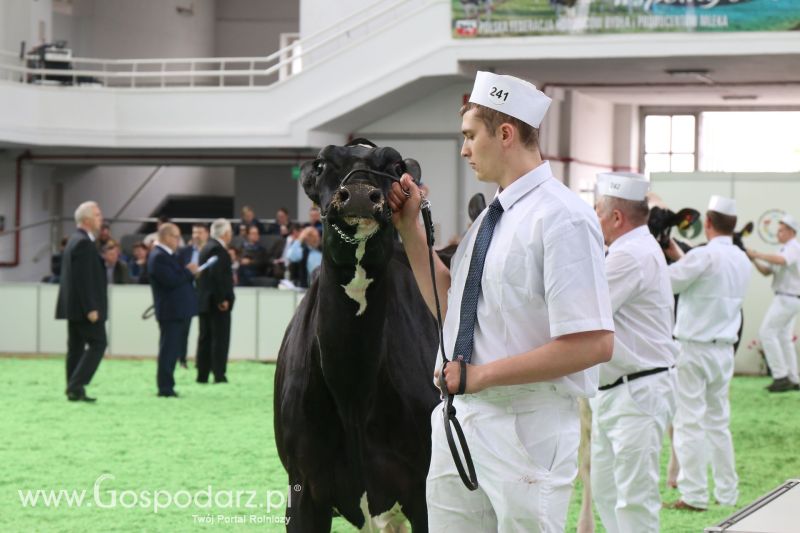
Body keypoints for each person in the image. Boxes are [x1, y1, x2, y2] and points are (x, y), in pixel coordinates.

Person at [388, 71, 614, 531]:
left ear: (505, 134)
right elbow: (455, 308)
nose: (464, 149)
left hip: (526, 422)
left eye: (471, 136)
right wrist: (410, 230)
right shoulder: (493, 218)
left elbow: (593, 343)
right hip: (460, 418)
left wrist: (481, 375)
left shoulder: (562, 217)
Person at [591, 173, 679, 532]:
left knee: (633, 501)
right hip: (619, 389)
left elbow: (585, 312)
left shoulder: (631, 255)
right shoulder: (629, 250)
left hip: (637, 391)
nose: (594, 219)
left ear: (616, 218)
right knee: (608, 494)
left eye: (597, 211)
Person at [664, 195, 751, 512]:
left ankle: (695, 495)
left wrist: (667, 256)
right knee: (718, 423)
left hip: (693, 349)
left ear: (709, 223)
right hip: (724, 350)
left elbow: (671, 282)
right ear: (734, 225)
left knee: (689, 422)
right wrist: (679, 255)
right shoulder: (741, 259)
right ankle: (728, 494)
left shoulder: (702, 256)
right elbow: (695, 273)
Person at [55, 201, 108, 402]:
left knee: (76, 347)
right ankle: (75, 384)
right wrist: (91, 307)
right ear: (87, 220)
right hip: (85, 308)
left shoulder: (74, 240)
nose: (101, 218)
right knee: (98, 343)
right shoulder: (84, 243)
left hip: (74, 307)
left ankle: (75, 389)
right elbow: (84, 280)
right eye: (97, 214)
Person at [747, 214, 800, 392]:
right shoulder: (783, 249)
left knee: (767, 333)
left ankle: (780, 376)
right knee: (784, 338)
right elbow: (766, 272)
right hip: (788, 298)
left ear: (792, 232)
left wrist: (758, 253)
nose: (778, 232)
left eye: (782, 229)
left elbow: (781, 261)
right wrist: (753, 259)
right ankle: (793, 378)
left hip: (787, 298)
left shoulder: (793, 247)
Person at [147, 223, 199, 397]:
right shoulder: (158, 257)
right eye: (175, 237)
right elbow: (171, 280)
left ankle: (167, 384)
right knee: (168, 350)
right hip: (171, 311)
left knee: (171, 349)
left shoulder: (166, 255)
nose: (178, 240)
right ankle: (165, 387)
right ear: (165, 237)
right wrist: (188, 272)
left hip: (176, 310)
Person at [196, 218, 235, 384]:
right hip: (216, 303)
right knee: (219, 339)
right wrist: (222, 299)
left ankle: (202, 374)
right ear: (225, 233)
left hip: (204, 301)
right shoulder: (219, 250)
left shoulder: (206, 248)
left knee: (205, 338)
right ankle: (219, 375)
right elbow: (217, 276)